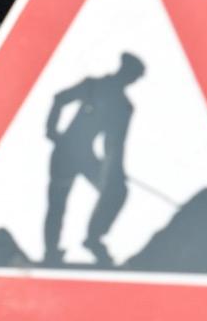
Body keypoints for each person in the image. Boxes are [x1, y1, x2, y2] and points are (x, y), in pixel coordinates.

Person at [43, 52, 144, 266]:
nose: (131, 80)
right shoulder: (94, 86)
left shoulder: (124, 106)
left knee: (116, 191)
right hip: (66, 151)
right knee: (58, 203)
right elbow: (60, 98)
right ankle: (51, 252)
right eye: (131, 75)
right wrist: (52, 130)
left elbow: (115, 144)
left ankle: (93, 238)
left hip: (85, 156)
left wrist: (115, 171)